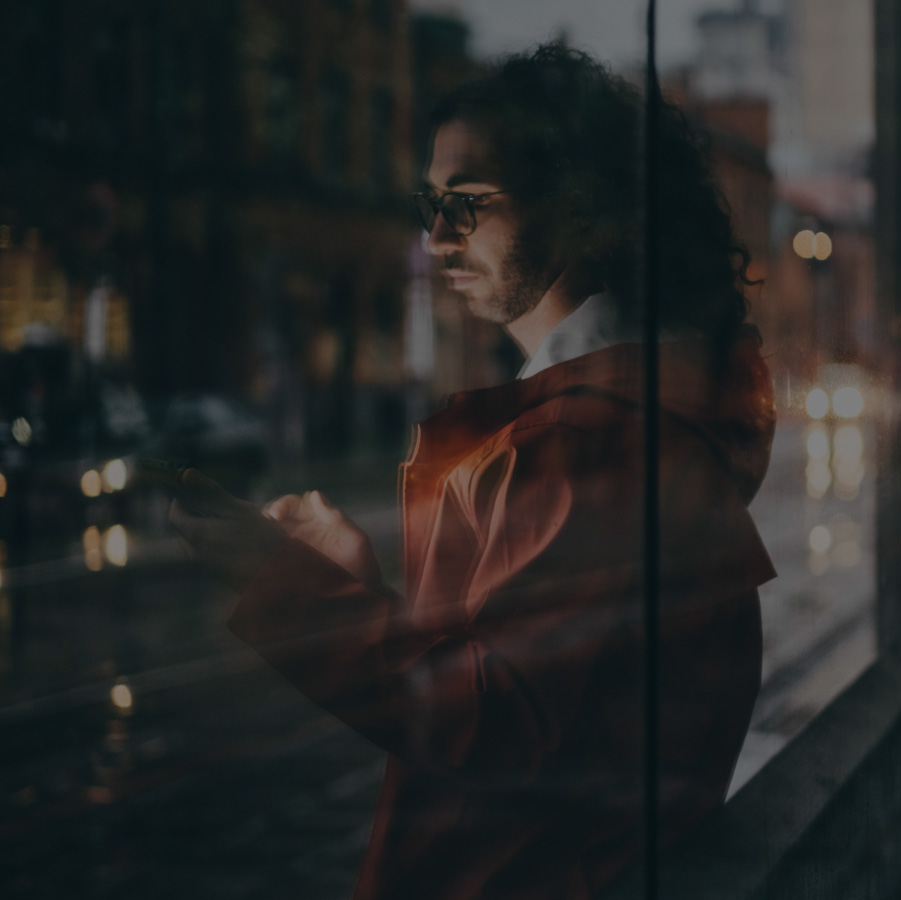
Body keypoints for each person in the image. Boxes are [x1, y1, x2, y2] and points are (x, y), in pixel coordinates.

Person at [169, 45, 776, 899]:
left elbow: (492, 727)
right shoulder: (642, 416)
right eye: (431, 202)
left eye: (468, 204)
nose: (436, 236)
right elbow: (541, 703)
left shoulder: (580, 441)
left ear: (583, 207)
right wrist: (350, 589)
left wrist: (282, 585)